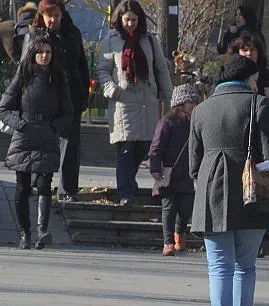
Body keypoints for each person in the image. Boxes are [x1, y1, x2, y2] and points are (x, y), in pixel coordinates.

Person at [189, 55, 269, 306]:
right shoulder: (258, 105)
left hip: (211, 192)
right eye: (256, 81)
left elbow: (194, 163)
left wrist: (205, 182)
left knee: (219, 268)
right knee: (246, 266)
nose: (257, 85)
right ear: (247, 79)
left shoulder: (201, 110)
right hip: (252, 193)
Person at [96, 0, 173, 206]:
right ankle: (126, 193)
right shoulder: (111, 40)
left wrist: (169, 97)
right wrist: (111, 88)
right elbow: (102, 69)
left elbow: (161, 70)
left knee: (145, 147)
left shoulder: (149, 40)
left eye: (134, 20)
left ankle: (129, 183)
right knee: (126, 149)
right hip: (123, 102)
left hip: (147, 101)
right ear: (120, 19)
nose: (130, 24)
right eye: (127, 19)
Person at [0, 32, 72, 249]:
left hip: (47, 136)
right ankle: (25, 233)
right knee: (22, 186)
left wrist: (53, 128)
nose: (44, 56)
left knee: (43, 185)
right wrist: (20, 124)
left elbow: (68, 112)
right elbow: (4, 107)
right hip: (24, 135)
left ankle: (42, 231)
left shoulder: (58, 78)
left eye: (48, 52)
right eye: (40, 52)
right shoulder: (24, 75)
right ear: (32, 54)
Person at [22, 0, 90, 202]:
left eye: (57, 15)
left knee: (71, 145)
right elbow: (25, 69)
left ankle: (68, 189)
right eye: (49, 15)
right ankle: (36, 183)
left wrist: (84, 93)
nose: (53, 20)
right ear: (42, 15)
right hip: (44, 96)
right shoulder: (34, 35)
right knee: (41, 142)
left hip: (71, 96)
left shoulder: (72, 33)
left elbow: (82, 66)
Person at [230, 31, 269, 258]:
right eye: (244, 49)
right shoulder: (231, 74)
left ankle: (264, 231)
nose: (248, 53)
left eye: (252, 49)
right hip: (243, 135)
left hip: (267, 134)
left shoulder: (265, 74)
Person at [148, 83, 201, 256]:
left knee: (186, 208)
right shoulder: (167, 123)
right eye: (191, 102)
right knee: (169, 208)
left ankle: (180, 231)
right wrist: (155, 167)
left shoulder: (196, 123)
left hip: (188, 175)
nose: (194, 105)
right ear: (180, 103)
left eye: (195, 102)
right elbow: (156, 147)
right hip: (169, 174)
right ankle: (168, 241)